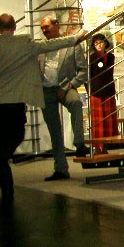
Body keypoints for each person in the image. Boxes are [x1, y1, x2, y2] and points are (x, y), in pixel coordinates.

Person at [0, 13, 86, 198]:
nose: (44, 30)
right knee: (16, 137)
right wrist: (75, 38)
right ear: (14, 28)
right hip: (15, 101)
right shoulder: (24, 44)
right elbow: (51, 45)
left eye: (47, 27)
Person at [38, 15, 89, 181]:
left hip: (66, 87)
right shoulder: (40, 47)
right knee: (55, 131)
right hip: (46, 91)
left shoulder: (71, 44)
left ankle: (79, 144)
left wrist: (69, 86)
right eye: (42, 28)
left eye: (47, 27)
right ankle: (61, 169)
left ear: (57, 25)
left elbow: (83, 71)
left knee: (75, 102)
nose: (44, 30)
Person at [88, 33, 119, 154]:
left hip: (108, 91)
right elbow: (88, 76)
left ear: (105, 43)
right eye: (96, 43)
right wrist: (90, 91)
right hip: (96, 92)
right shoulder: (91, 58)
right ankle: (97, 148)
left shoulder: (111, 57)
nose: (99, 45)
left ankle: (106, 146)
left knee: (109, 121)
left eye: (101, 42)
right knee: (98, 122)